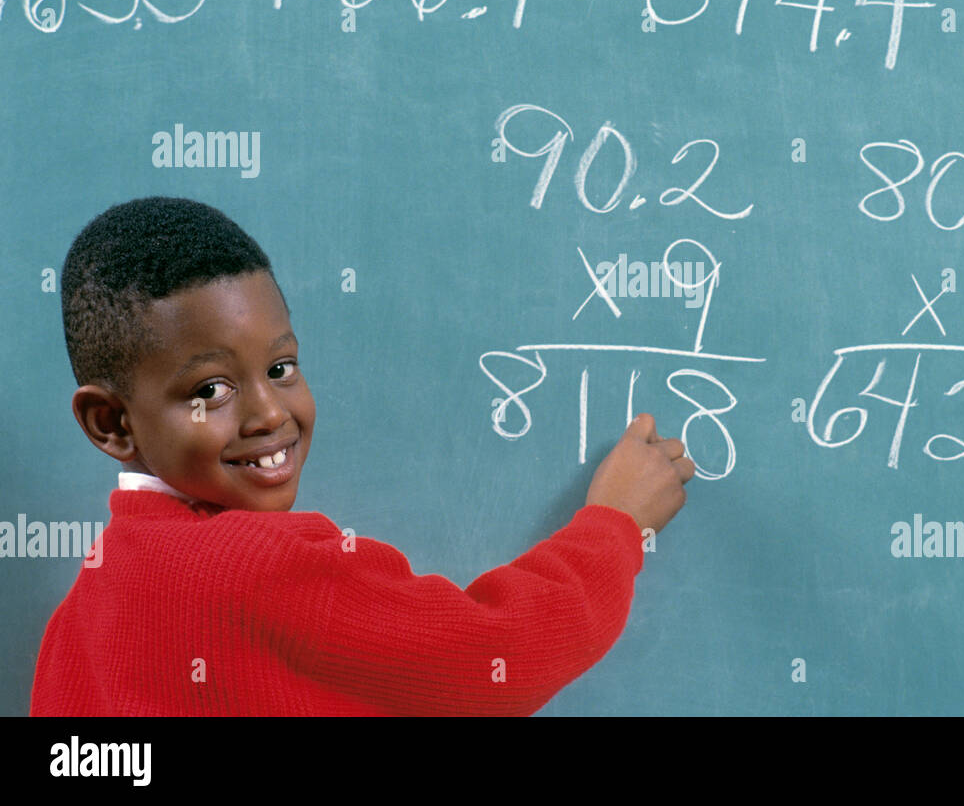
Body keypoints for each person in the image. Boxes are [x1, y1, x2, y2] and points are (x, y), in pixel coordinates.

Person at [32, 196, 691, 715]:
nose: (269, 412)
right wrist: (614, 525)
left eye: (282, 365)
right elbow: (493, 657)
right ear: (112, 422)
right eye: (211, 389)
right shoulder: (257, 569)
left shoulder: (78, 621)